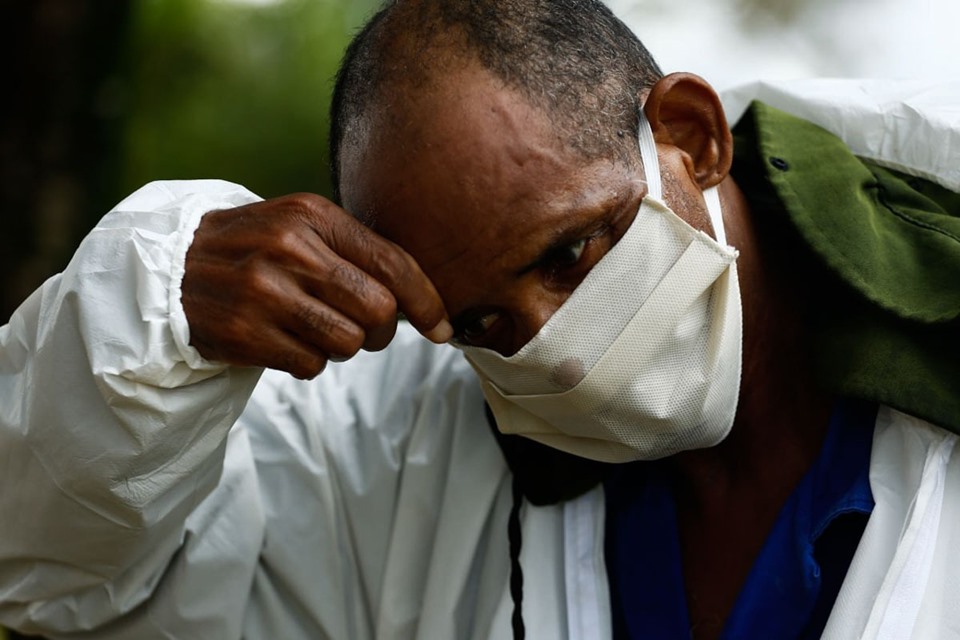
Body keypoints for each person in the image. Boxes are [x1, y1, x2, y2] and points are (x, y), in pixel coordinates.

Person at [1, 1, 958, 639]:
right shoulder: (388, 450)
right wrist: (148, 320)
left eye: (570, 253)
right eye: (482, 322)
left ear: (690, 138)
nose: (556, 351)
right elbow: (64, 584)